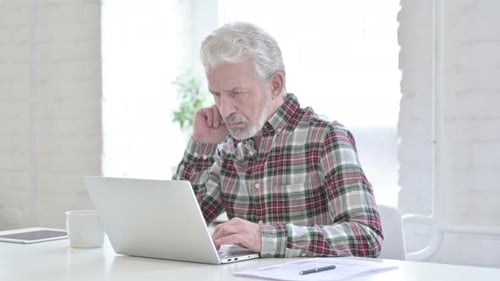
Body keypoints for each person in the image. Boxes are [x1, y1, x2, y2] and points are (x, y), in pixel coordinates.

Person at [173, 22, 383, 258]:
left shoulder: (325, 137)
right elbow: (177, 227)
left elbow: (367, 237)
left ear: (275, 85)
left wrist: (265, 238)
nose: (225, 109)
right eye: (216, 94)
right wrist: (202, 146)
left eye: (236, 93)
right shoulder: (228, 146)